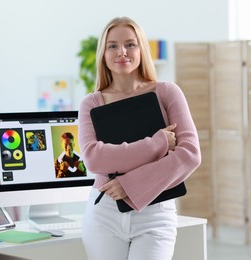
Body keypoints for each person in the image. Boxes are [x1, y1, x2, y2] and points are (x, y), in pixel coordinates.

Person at [78, 17, 201, 260]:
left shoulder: (166, 92)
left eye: (130, 44)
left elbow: (190, 154)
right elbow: (94, 158)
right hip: (104, 212)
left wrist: (129, 185)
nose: (121, 52)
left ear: (141, 49)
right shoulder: (91, 103)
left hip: (156, 213)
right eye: (112, 45)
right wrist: (159, 143)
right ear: (103, 53)